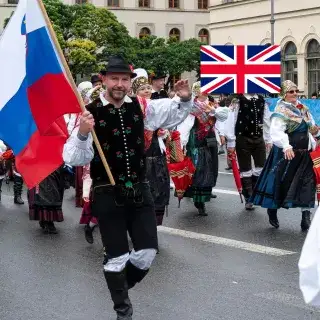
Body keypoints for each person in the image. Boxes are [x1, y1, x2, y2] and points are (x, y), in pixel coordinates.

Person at [63, 55, 193, 319]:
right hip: (106, 191)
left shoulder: (143, 106)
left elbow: (173, 116)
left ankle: (118, 285)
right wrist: (83, 133)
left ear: (130, 82)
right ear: (104, 80)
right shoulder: (89, 112)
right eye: (115, 79)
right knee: (117, 256)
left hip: (139, 188)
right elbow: (73, 158)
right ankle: (123, 309)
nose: (120, 84)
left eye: (124, 79)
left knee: (146, 253)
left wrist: (184, 98)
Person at [251, 80, 319, 231]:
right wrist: (286, 146)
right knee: (282, 182)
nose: (295, 94)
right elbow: (276, 131)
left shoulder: (303, 108)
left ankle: (305, 216)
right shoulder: (280, 111)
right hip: (288, 153)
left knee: (307, 183)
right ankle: (273, 210)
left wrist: (316, 132)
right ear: (284, 94)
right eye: (291, 92)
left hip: (305, 153)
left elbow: (311, 127)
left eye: (296, 91)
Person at [177, 82, 229, 215]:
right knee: (198, 168)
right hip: (196, 140)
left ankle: (205, 195)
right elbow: (185, 124)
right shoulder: (191, 106)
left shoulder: (212, 104)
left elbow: (223, 117)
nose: (205, 92)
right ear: (196, 92)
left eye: (207, 90)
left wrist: (221, 134)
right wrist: (181, 142)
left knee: (210, 168)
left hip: (210, 139)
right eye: (201, 90)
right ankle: (198, 201)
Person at [132, 68, 169, 226]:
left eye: (148, 87)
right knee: (143, 191)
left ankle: (152, 228)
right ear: (135, 91)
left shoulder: (155, 105)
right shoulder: (133, 107)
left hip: (156, 152)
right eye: (142, 88)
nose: (147, 90)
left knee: (159, 188)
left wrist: (163, 130)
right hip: (142, 153)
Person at [225, 93, 272, 210]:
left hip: (258, 138)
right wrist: (231, 142)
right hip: (243, 138)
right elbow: (231, 120)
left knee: (261, 167)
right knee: (245, 169)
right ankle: (249, 197)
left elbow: (266, 120)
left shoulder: (262, 100)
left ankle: (255, 193)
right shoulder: (238, 100)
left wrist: (268, 139)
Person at [28, 166, 66, 233]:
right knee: (42, 198)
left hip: (54, 171)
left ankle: (50, 221)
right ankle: (45, 221)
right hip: (40, 171)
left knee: (53, 197)